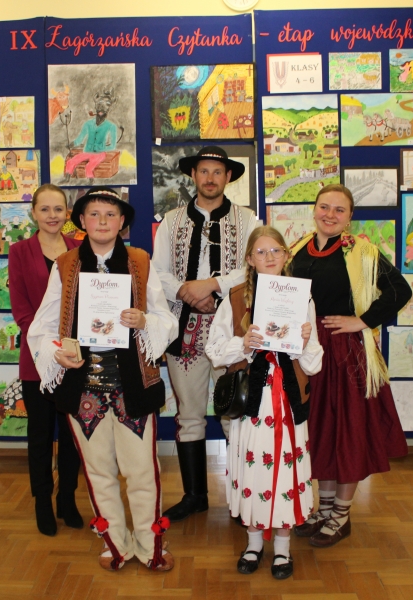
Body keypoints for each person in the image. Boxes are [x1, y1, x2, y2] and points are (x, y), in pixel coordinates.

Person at [28, 187, 178, 571]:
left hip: (133, 384)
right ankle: (115, 543)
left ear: (122, 222)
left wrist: (144, 321)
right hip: (84, 387)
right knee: (98, 471)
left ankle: (149, 544)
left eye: (110, 215)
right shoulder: (65, 266)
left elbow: (166, 319)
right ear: (81, 221)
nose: (102, 221)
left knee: (141, 471)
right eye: (94, 214)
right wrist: (56, 352)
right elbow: (42, 326)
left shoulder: (140, 262)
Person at [288, 184, 412, 548]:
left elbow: (400, 290)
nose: (330, 215)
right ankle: (324, 509)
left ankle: (341, 515)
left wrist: (362, 321)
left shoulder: (364, 251)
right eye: (324, 207)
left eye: (339, 210)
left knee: (347, 431)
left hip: (345, 355)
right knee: (322, 431)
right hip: (308, 352)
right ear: (314, 210)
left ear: (350, 217)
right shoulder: (296, 250)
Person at [205, 226, 323, 580]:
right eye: (261, 251)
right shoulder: (235, 297)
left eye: (275, 250)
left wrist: (304, 340)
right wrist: (243, 344)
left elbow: (314, 364)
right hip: (251, 405)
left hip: (288, 402)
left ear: (286, 255)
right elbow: (214, 351)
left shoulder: (302, 297)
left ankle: (283, 549)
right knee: (253, 470)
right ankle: (254, 543)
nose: (269, 257)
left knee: (285, 472)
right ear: (250, 259)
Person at [152, 146, 260, 522]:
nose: (210, 178)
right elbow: (158, 272)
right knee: (189, 415)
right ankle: (195, 495)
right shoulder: (171, 221)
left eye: (217, 172)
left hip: (232, 331)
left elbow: (254, 266)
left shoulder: (248, 219)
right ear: (193, 175)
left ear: (228, 177)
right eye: (204, 171)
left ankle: (243, 496)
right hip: (184, 331)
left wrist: (212, 285)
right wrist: (186, 291)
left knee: (235, 413)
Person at [9, 183, 83, 537]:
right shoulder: (19, 252)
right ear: (33, 213)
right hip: (36, 357)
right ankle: (42, 501)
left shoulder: (79, 249)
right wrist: (46, 345)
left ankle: (67, 498)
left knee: (70, 435)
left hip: (72, 357)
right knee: (39, 435)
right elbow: (21, 310)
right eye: (45, 209)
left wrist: (67, 347)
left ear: (67, 213)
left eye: (58, 209)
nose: (52, 216)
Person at [64, 89, 118, 180]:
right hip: (87, 151)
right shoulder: (88, 124)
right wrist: (72, 144)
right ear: (96, 109)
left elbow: (113, 145)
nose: (101, 111)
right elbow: (80, 138)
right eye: (99, 108)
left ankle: (91, 182)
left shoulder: (111, 126)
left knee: (89, 167)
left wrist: (102, 148)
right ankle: (66, 179)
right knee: (70, 162)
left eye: (103, 110)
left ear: (107, 111)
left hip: (99, 154)